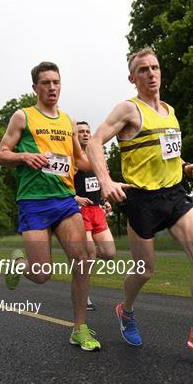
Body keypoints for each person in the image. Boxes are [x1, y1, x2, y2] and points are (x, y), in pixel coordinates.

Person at [86, 48, 193, 362]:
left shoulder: (169, 110)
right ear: (132, 78)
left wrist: (186, 165)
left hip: (174, 194)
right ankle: (126, 310)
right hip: (141, 200)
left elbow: (167, 153)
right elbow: (94, 141)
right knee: (145, 271)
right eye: (143, 70)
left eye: (154, 67)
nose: (151, 73)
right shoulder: (128, 110)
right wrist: (106, 181)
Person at [0, 61, 100, 351]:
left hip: (65, 201)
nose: (52, 87)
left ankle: (80, 328)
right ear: (35, 87)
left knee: (83, 259)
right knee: (42, 275)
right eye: (46, 83)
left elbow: (79, 161)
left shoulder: (67, 121)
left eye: (56, 82)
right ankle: (17, 263)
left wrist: (106, 174)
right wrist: (23, 157)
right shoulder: (23, 117)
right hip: (33, 202)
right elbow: (2, 154)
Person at [74, 121, 117, 311]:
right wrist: (75, 197)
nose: (84, 134)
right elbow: (59, 183)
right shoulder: (72, 158)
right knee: (89, 255)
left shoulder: (98, 157)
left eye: (87, 131)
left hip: (97, 210)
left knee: (109, 253)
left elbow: (100, 182)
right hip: (79, 211)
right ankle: (85, 297)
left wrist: (105, 199)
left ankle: (79, 259)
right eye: (80, 131)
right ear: (75, 135)